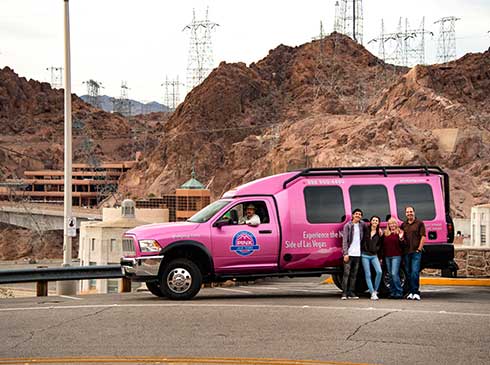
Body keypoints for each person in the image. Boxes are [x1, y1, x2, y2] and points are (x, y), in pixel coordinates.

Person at [401, 206, 426, 301]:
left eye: (411, 211)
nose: (409, 213)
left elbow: (423, 236)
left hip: (416, 252)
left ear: (414, 212)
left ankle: (416, 292)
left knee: (415, 272)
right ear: (405, 214)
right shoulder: (404, 224)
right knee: (408, 273)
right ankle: (411, 292)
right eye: (407, 212)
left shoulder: (420, 223)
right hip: (406, 252)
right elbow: (401, 236)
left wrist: (419, 249)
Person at [341, 208, 364, 300]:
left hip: (358, 254)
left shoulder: (362, 225)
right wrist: (345, 253)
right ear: (353, 215)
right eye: (356, 214)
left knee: (354, 275)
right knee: (346, 274)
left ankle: (351, 292)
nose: (358, 215)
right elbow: (345, 240)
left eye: (360, 214)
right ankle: (344, 293)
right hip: (349, 254)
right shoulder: (348, 226)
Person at [361, 216, 383, 300]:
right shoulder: (365, 229)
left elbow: (380, 246)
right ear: (370, 221)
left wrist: (380, 257)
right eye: (373, 220)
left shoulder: (379, 233)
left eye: (376, 220)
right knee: (368, 274)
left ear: (378, 223)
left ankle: (375, 290)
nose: (375, 221)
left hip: (374, 256)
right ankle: (372, 293)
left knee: (379, 272)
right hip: (364, 255)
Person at [383, 217, 405, 299]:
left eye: (393, 223)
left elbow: (403, 246)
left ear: (396, 224)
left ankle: (399, 292)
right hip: (387, 256)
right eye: (390, 223)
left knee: (394, 273)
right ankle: (392, 292)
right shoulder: (385, 233)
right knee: (390, 275)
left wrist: (401, 238)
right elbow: (383, 246)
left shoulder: (400, 232)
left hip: (396, 256)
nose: (392, 225)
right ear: (388, 225)